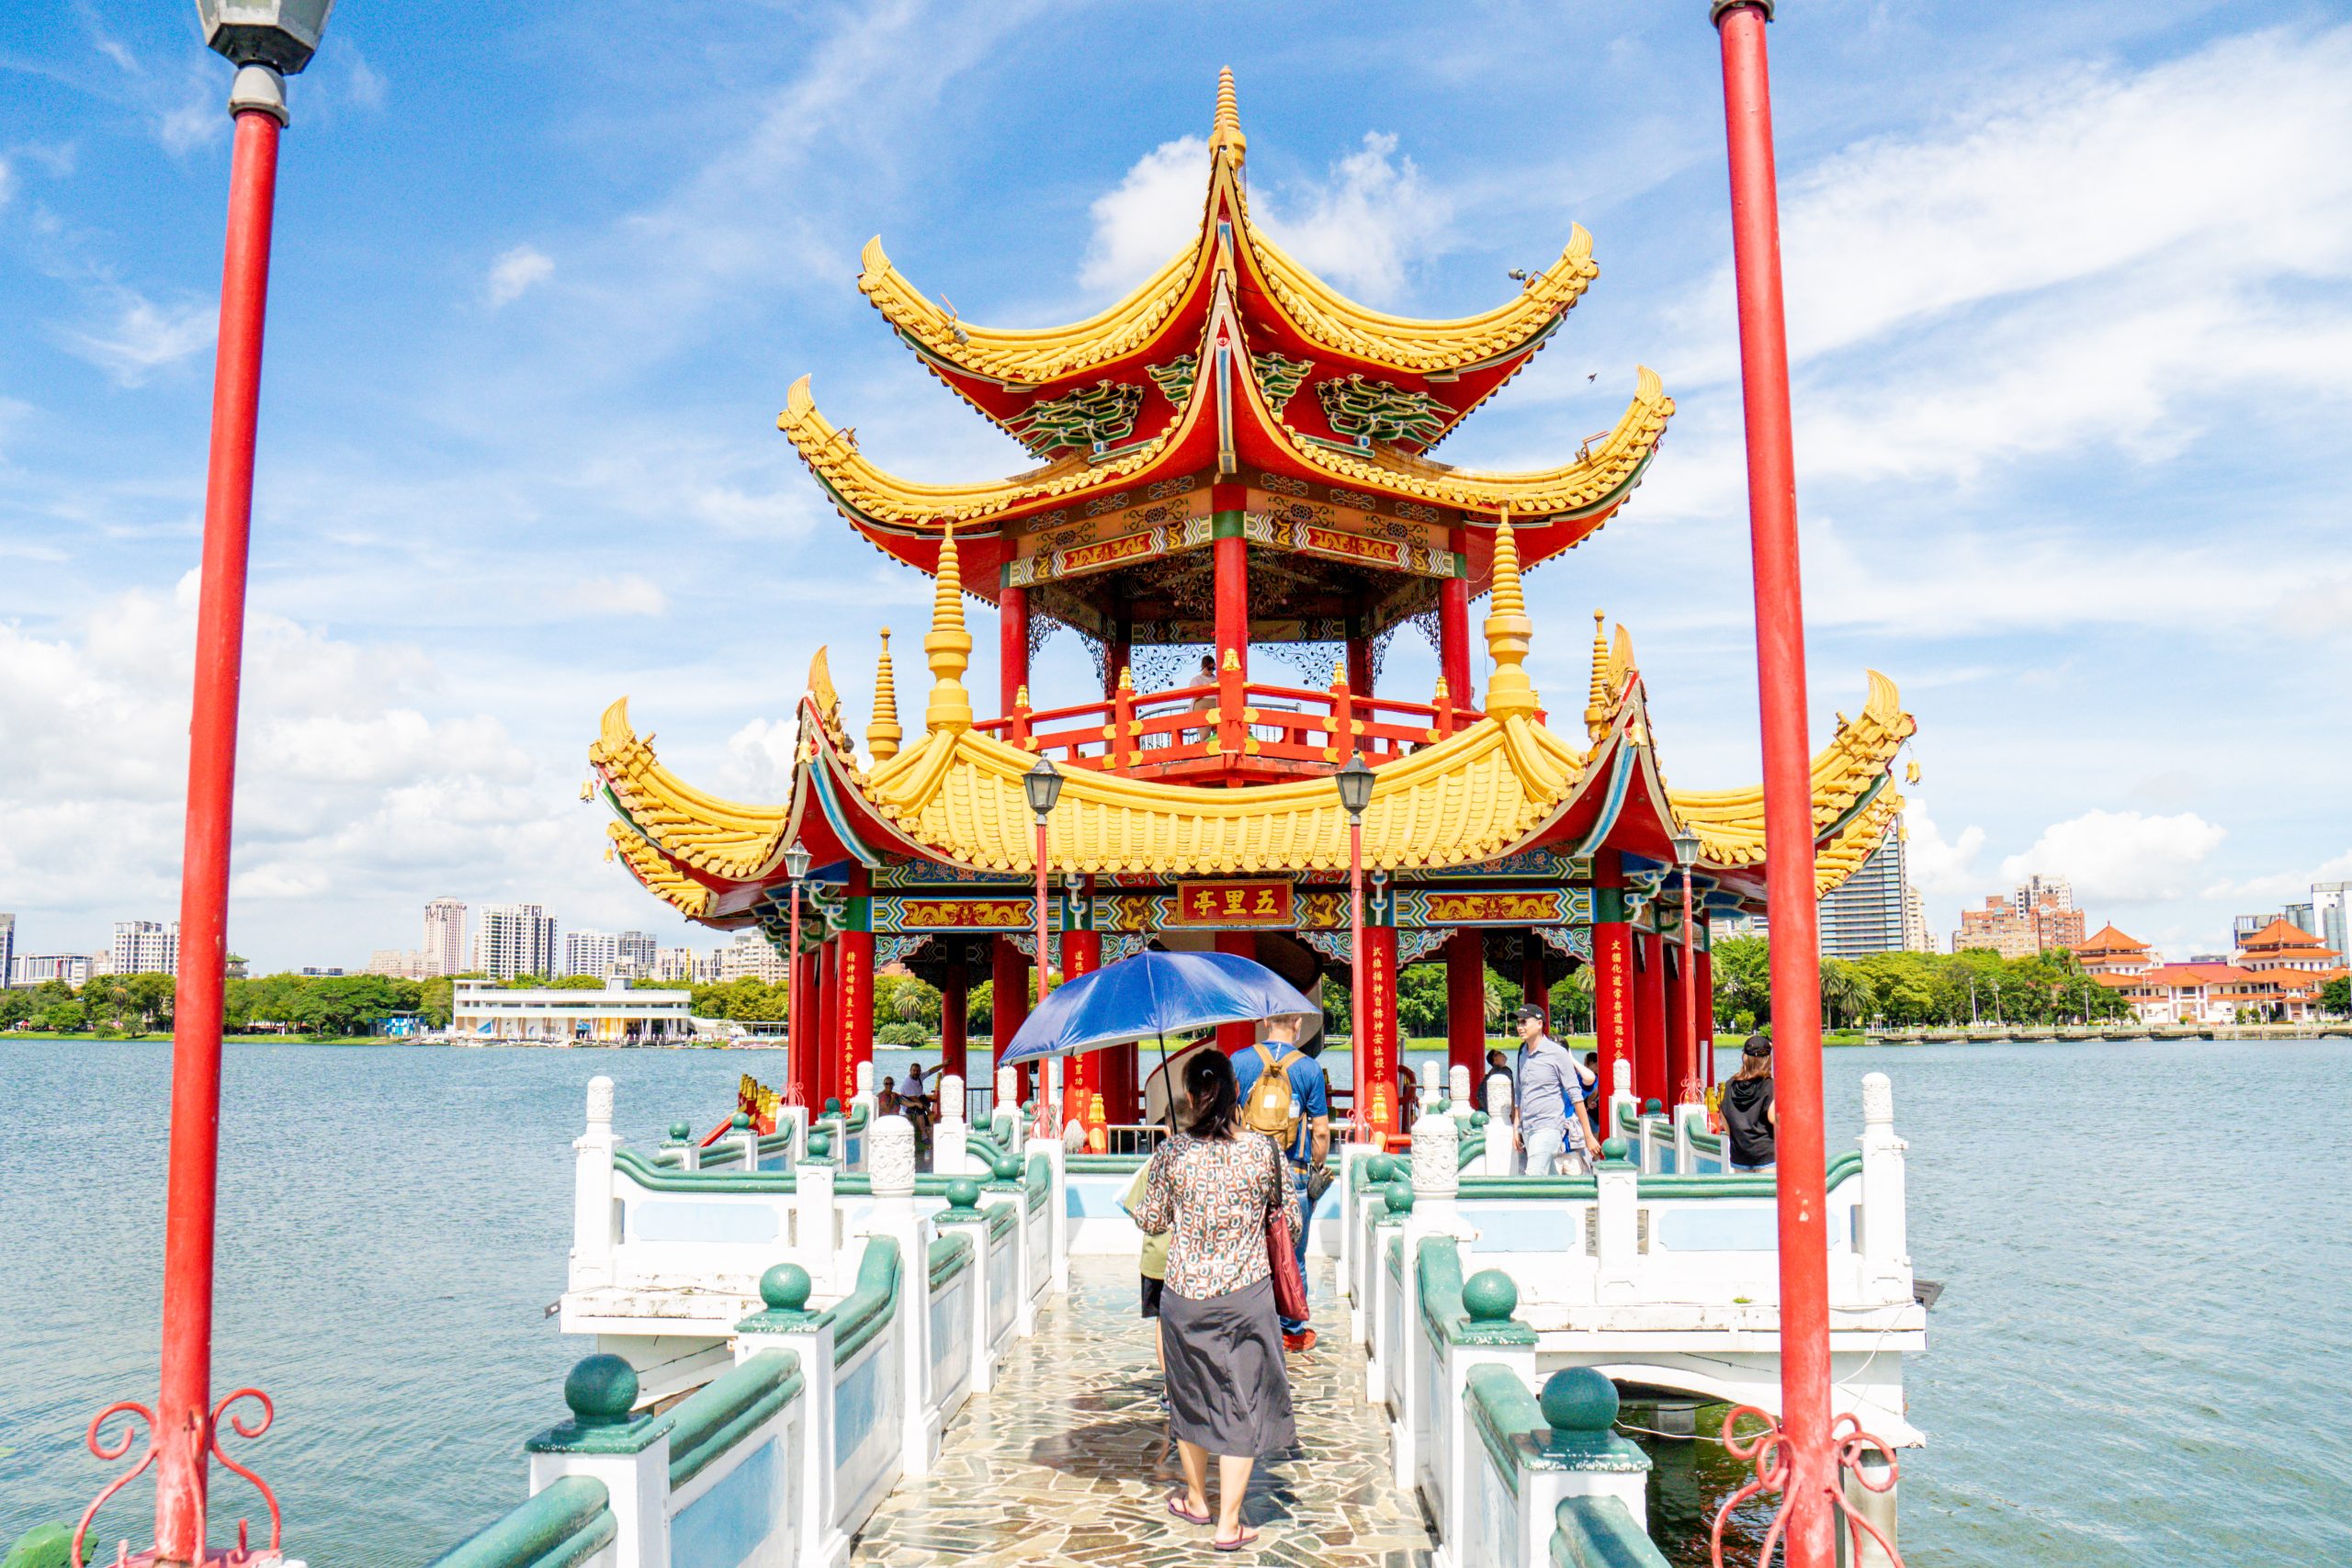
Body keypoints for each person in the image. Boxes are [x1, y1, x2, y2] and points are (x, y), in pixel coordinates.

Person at [1136, 1048, 1300, 1552]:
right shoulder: (1264, 1152)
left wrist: (1168, 1170)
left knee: (1191, 1399)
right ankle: (1229, 1523)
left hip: (1186, 1295)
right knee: (1244, 1402)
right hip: (1247, 1293)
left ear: (1190, 1096)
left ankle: (1196, 1499)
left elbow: (1151, 1219)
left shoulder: (1172, 1153)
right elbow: (1290, 1223)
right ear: (1236, 1093)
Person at [1230, 1014, 1329, 1352]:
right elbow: (1320, 1131)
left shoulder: (1240, 1061)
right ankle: (1291, 1331)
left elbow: (1228, 1118)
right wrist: (1317, 1166)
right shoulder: (1308, 1068)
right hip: (1294, 1172)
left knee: (1247, 1250)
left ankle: (1249, 1325)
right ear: (1298, 1023)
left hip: (1248, 1172)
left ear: (1265, 1020)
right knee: (1292, 1255)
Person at [1512, 1003, 1600, 1175]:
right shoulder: (1523, 1053)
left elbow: (1576, 1095)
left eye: (1524, 1022)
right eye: (1518, 1023)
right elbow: (1519, 1092)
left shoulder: (1557, 1053)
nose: (1520, 1027)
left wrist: (1588, 1136)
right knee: (1549, 1178)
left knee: (1533, 1176)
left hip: (1549, 1126)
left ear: (1539, 1024)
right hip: (1528, 1127)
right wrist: (1516, 1127)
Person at [1722, 1035, 1777, 1171]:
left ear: (1744, 1058)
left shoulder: (1729, 1085)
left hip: (1739, 1157)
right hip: (1767, 1157)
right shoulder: (1770, 1086)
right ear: (1768, 1060)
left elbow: (1726, 1126)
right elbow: (1774, 1118)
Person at [1481, 1047, 1514, 1113]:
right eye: (1499, 1053)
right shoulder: (1504, 1071)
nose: (1503, 1054)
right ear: (1494, 1059)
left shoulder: (1491, 1073)